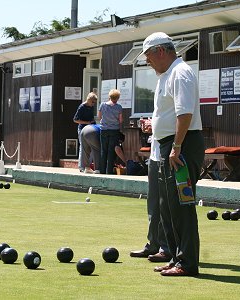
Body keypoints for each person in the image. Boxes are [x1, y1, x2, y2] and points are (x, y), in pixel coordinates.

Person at [140, 32, 204, 276]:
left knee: (181, 204)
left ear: (160, 51)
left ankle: (187, 263)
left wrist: (176, 147)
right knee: (168, 205)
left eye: (148, 56)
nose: (148, 61)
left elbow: (184, 114)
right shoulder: (168, 75)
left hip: (182, 145)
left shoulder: (181, 72)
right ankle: (176, 258)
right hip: (170, 144)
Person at [130, 119, 172, 263]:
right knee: (153, 205)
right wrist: (151, 123)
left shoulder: (176, 95)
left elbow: (175, 120)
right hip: (155, 156)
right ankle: (153, 244)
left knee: (165, 205)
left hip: (167, 155)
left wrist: (153, 124)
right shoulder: (158, 96)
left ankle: (166, 248)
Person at [98, 89, 123, 174]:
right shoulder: (119, 107)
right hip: (114, 130)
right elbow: (120, 120)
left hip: (104, 129)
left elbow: (99, 117)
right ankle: (109, 171)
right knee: (111, 151)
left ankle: (102, 170)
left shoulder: (102, 105)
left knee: (103, 150)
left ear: (109, 96)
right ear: (118, 98)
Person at [73, 92, 98, 173]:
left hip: (90, 128)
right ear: (89, 100)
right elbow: (75, 120)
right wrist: (87, 122)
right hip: (82, 129)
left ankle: (88, 166)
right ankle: (81, 167)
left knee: (90, 147)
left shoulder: (91, 107)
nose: (94, 104)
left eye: (95, 102)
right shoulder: (82, 107)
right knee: (83, 148)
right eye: (93, 102)